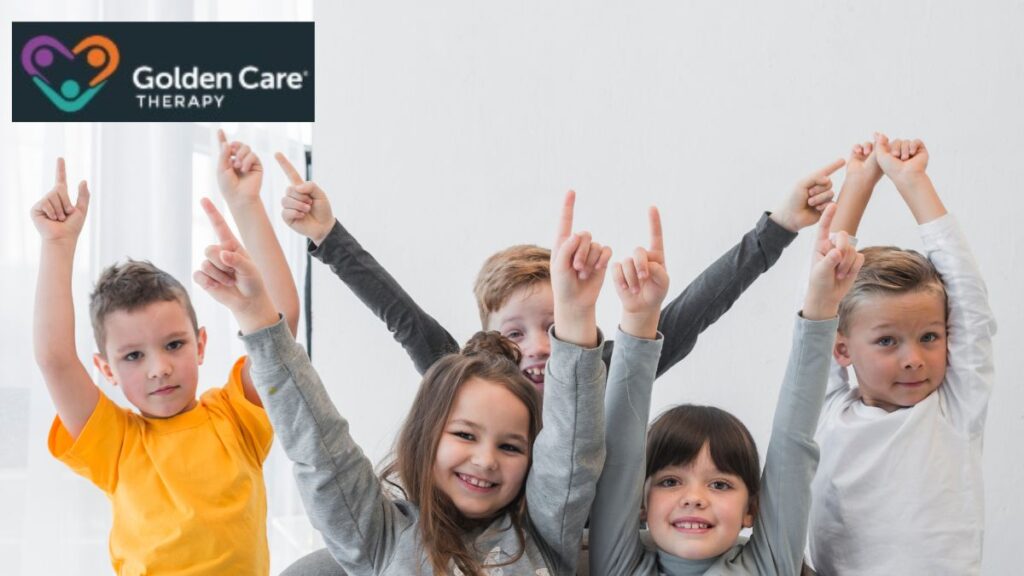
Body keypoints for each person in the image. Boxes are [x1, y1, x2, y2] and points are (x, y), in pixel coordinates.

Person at [196, 190, 645, 575]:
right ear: (426, 436)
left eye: (511, 447)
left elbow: (573, 445)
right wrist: (258, 320)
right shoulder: (379, 535)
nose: (486, 460)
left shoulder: (545, 529)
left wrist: (575, 314)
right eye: (465, 435)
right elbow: (319, 447)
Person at [32, 134, 298, 575]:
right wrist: (57, 246)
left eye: (174, 344)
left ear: (201, 345)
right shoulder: (116, 444)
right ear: (106, 369)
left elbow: (281, 322)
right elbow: (55, 359)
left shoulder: (234, 417)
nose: (159, 369)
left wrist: (246, 204)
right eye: (133, 356)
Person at [588, 203, 862, 575]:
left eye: (719, 484)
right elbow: (621, 451)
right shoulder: (619, 568)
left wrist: (822, 304)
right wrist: (638, 318)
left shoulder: (769, 565)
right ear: (641, 502)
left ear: (752, 508)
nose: (694, 498)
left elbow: (793, 445)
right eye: (670, 481)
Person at [809, 135, 997, 575]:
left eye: (929, 337)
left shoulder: (954, 409)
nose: (914, 358)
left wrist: (913, 183)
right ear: (841, 349)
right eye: (888, 341)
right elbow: (816, 304)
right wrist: (858, 185)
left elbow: (970, 303)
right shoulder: (825, 410)